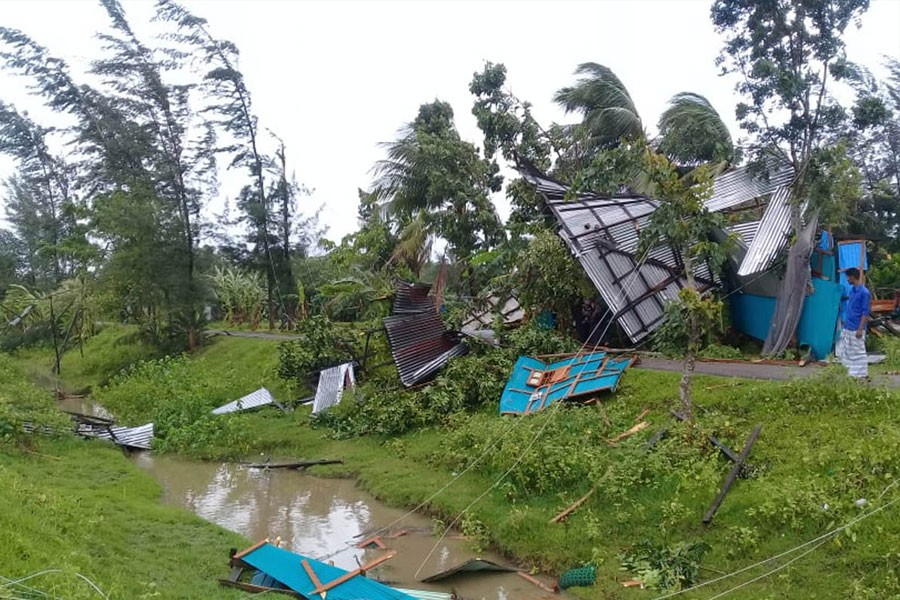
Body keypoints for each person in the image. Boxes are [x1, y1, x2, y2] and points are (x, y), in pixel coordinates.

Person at [838, 268, 871, 378]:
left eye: (848, 277)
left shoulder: (864, 292)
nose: (847, 279)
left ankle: (862, 374)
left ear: (852, 277)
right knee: (848, 351)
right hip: (849, 325)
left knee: (859, 352)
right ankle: (851, 374)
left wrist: (860, 328)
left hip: (857, 327)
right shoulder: (852, 290)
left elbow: (865, 312)